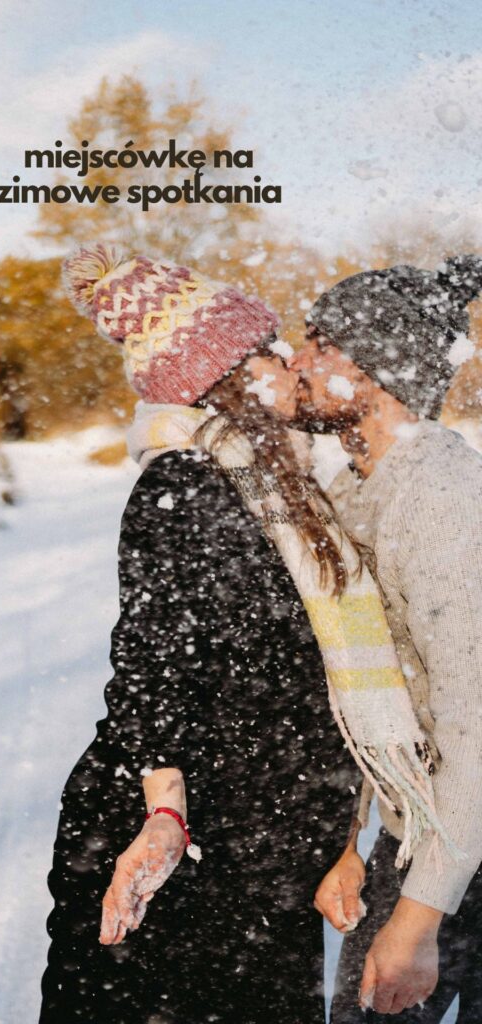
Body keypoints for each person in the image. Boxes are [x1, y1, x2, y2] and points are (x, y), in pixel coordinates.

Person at [39, 246, 426, 1024]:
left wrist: (336, 835)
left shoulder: (277, 485)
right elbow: (152, 665)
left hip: (263, 852)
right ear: (228, 378)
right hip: (192, 854)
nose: (291, 361)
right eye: (270, 349)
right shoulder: (186, 485)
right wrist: (165, 815)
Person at [245, 255, 482, 1020]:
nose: (298, 360)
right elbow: (373, 682)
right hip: (431, 829)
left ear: (378, 369)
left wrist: (417, 919)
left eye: (322, 343)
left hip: (465, 835)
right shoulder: (357, 486)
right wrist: (355, 840)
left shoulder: (440, 495)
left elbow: (475, 721)